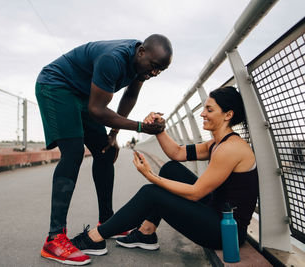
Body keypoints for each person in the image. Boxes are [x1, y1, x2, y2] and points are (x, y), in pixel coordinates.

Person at [71, 86, 259, 260]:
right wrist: (159, 129)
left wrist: (151, 176)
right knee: (171, 168)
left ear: (228, 115)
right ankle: (146, 233)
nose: (202, 114)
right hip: (215, 212)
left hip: (225, 233)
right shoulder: (217, 144)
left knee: (150, 193)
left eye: (209, 110)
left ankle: (94, 238)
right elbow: (178, 152)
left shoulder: (230, 149)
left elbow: (196, 193)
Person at [36, 34, 173, 265]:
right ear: (141, 53)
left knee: (106, 151)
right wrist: (141, 127)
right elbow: (98, 110)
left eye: (161, 70)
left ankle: (107, 223)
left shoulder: (142, 66)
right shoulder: (113, 59)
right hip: (56, 85)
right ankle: (54, 238)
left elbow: (130, 94)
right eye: (154, 67)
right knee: (73, 152)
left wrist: (113, 135)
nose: (155, 73)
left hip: (82, 94)